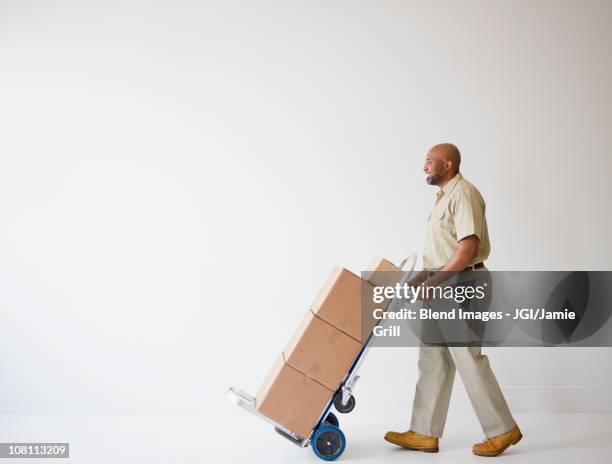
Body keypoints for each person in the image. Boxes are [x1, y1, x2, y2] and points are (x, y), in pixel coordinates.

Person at [384, 143, 522, 457]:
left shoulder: (464, 194)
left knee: (467, 359)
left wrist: (437, 280)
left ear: (448, 165)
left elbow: (467, 249)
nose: (424, 167)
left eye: (429, 161)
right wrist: (421, 278)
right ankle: (423, 432)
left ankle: (502, 430)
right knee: (433, 358)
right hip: (441, 285)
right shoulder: (442, 199)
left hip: (462, 283)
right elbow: (442, 251)